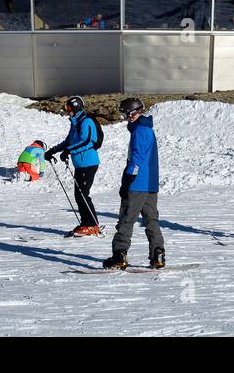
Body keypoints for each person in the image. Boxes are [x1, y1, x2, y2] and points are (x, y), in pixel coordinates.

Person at [102, 98, 164, 270]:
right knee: (151, 220)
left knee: (126, 220)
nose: (125, 117)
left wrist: (128, 180)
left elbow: (137, 159)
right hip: (150, 184)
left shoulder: (141, 130)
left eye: (125, 113)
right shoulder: (146, 129)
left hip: (138, 184)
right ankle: (157, 255)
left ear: (132, 113)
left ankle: (119, 255)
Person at [45, 96, 102, 236]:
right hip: (80, 164)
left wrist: (69, 151)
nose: (67, 111)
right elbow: (68, 141)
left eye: (69, 108)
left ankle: (92, 225)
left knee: (83, 194)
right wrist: (52, 151)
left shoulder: (86, 121)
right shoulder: (75, 123)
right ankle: (85, 223)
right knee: (79, 195)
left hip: (89, 163)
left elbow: (87, 141)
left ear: (76, 108)